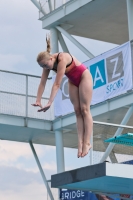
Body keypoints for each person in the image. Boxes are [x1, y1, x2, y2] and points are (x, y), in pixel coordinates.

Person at [32, 34, 93, 158]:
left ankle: (87, 142)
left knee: (85, 109)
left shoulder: (62, 58)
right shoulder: (47, 64)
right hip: (73, 80)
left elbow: (57, 83)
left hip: (83, 76)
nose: (44, 68)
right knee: (77, 111)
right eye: (42, 67)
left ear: (50, 59)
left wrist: (49, 102)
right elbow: (42, 83)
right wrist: (38, 100)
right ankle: (80, 144)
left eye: (45, 65)